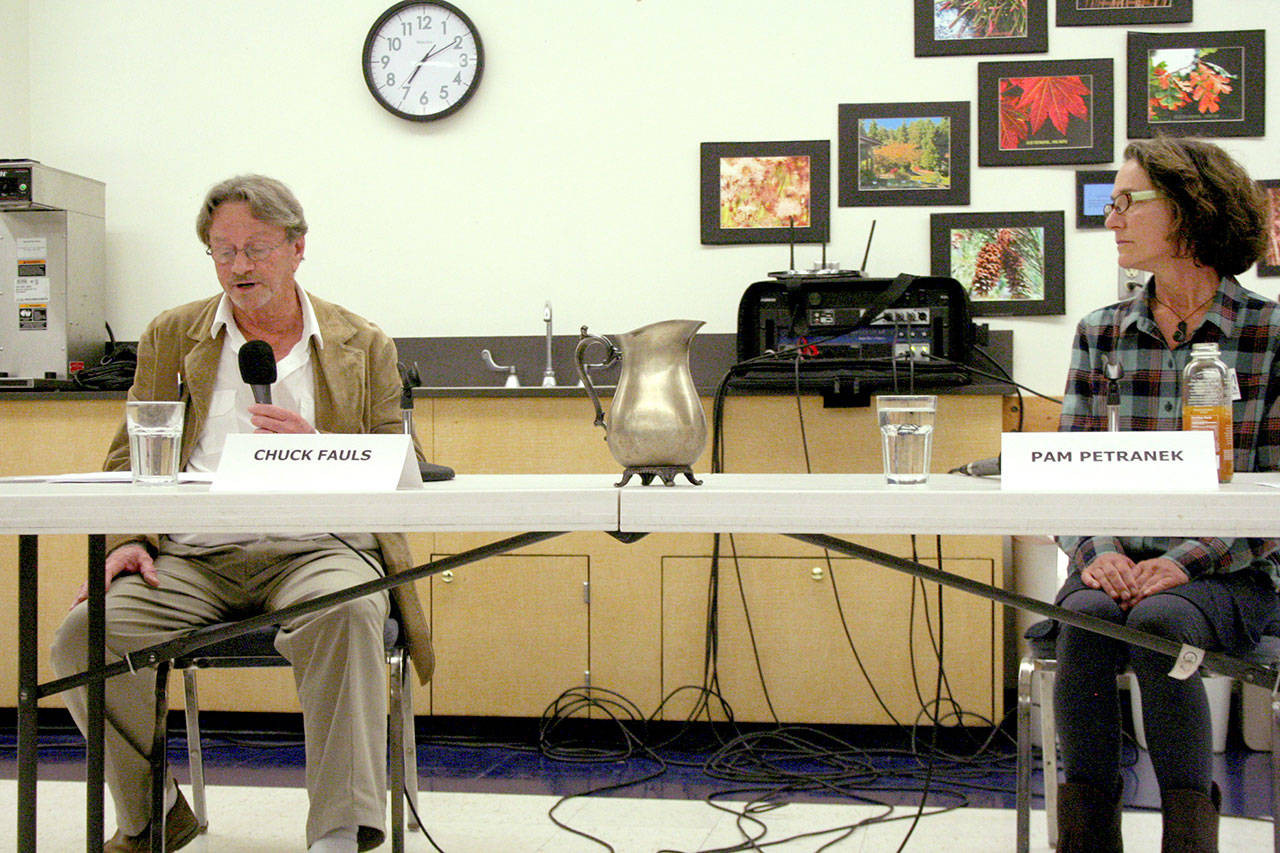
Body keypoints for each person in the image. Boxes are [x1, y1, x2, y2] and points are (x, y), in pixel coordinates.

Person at [50, 174, 435, 853]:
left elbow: (406, 467)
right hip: (192, 555)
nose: (239, 266)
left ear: (297, 247)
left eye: (256, 248)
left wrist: (321, 448)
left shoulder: (362, 341)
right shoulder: (174, 334)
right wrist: (127, 539)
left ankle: (338, 833)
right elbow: (127, 453)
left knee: (349, 610)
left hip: (319, 547)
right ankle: (151, 812)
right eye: (223, 251)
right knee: (84, 635)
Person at [1054, 137, 1280, 853]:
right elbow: (1071, 472)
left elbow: (1277, 495)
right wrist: (1097, 552)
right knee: (1087, 613)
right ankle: (1087, 839)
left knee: (1158, 621)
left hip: (1233, 567)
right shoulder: (1101, 332)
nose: (1111, 217)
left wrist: (1183, 561)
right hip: (1116, 562)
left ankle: (1189, 841)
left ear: (1188, 208)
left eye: (1127, 201)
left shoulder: (1271, 334)